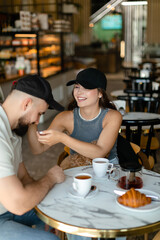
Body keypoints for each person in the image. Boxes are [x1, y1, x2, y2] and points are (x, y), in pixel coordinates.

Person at [28, 68, 124, 240]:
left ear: (100, 93)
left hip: (109, 174)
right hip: (78, 173)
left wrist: (63, 138)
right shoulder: (65, 117)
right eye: (77, 87)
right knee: (78, 223)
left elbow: (100, 152)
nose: (79, 92)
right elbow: (38, 149)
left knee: (115, 221)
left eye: (86, 88)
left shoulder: (113, 116)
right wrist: (32, 121)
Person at [0, 74, 65, 240]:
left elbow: (23, 176)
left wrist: (44, 198)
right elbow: (18, 204)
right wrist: (50, 178)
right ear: (27, 103)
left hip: (7, 209)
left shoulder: (11, 131)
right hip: (8, 210)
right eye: (39, 113)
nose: (37, 121)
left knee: (64, 214)